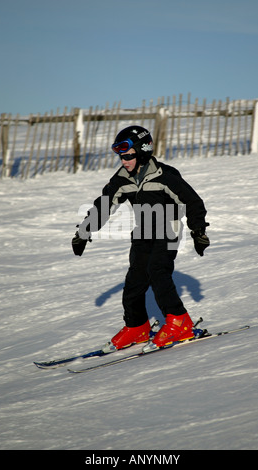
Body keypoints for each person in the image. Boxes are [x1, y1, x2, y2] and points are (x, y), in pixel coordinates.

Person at [72, 125, 210, 352]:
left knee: (158, 272)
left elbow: (193, 202)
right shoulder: (123, 179)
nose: (123, 161)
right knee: (134, 281)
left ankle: (179, 322)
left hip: (168, 230)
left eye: (127, 156)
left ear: (142, 151)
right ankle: (137, 327)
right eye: (120, 157)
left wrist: (198, 232)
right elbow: (104, 206)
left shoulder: (166, 176)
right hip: (143, 232)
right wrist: (83, 232)